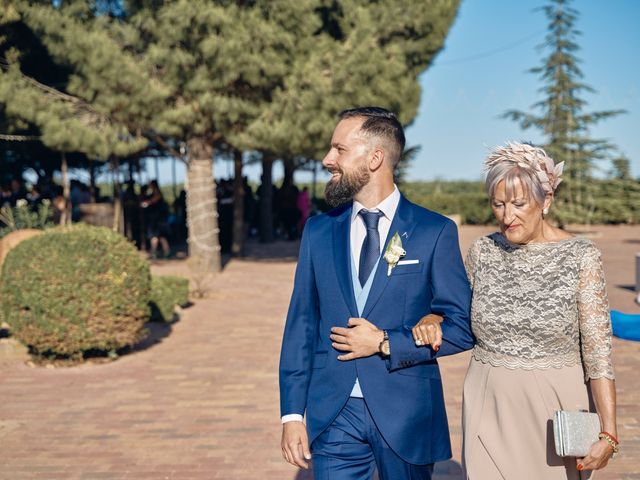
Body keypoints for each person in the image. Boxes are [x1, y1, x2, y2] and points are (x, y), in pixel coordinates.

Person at [279, 107, 474, 479]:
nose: (327, 159)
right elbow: (301, 325)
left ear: (375, 157)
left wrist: (386, 342)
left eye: (339, 149)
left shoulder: (434, 231)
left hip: (408, 413)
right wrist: (291, 414)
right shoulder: (318, 231)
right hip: (334, 413)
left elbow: (461, 326)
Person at [413, 142, 618, 479]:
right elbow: (454, 310)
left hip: (556, 409)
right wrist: (431, 317)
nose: (507, 217)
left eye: (519, 204)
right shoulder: (483, 251)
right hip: (487, 400)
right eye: (498, 204)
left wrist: (609, 431)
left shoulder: (582, 256)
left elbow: (598, 353)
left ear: (546, 201)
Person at [141, 180, 171, 259]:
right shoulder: (153, 193)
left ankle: (160, 253)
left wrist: (147, 203)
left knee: (158, 236)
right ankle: (161, 252)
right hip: (155, 219)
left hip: (157, 219)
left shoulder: (157, 193)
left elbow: (154, 200)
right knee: (158, 237)